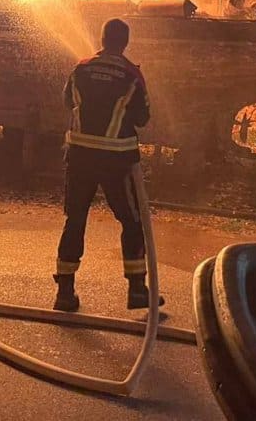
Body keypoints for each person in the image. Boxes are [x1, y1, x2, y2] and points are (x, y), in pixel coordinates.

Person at [52, 18, 161, 312]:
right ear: (125, 42)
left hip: (79, 157)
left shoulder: (81, 68)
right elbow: (142, 118)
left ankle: (64, 291)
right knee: (132, 221)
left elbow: (67, 101)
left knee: (75, 220)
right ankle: (137, 289)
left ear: (102, 39)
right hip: (117, 161)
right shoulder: (132, 75)